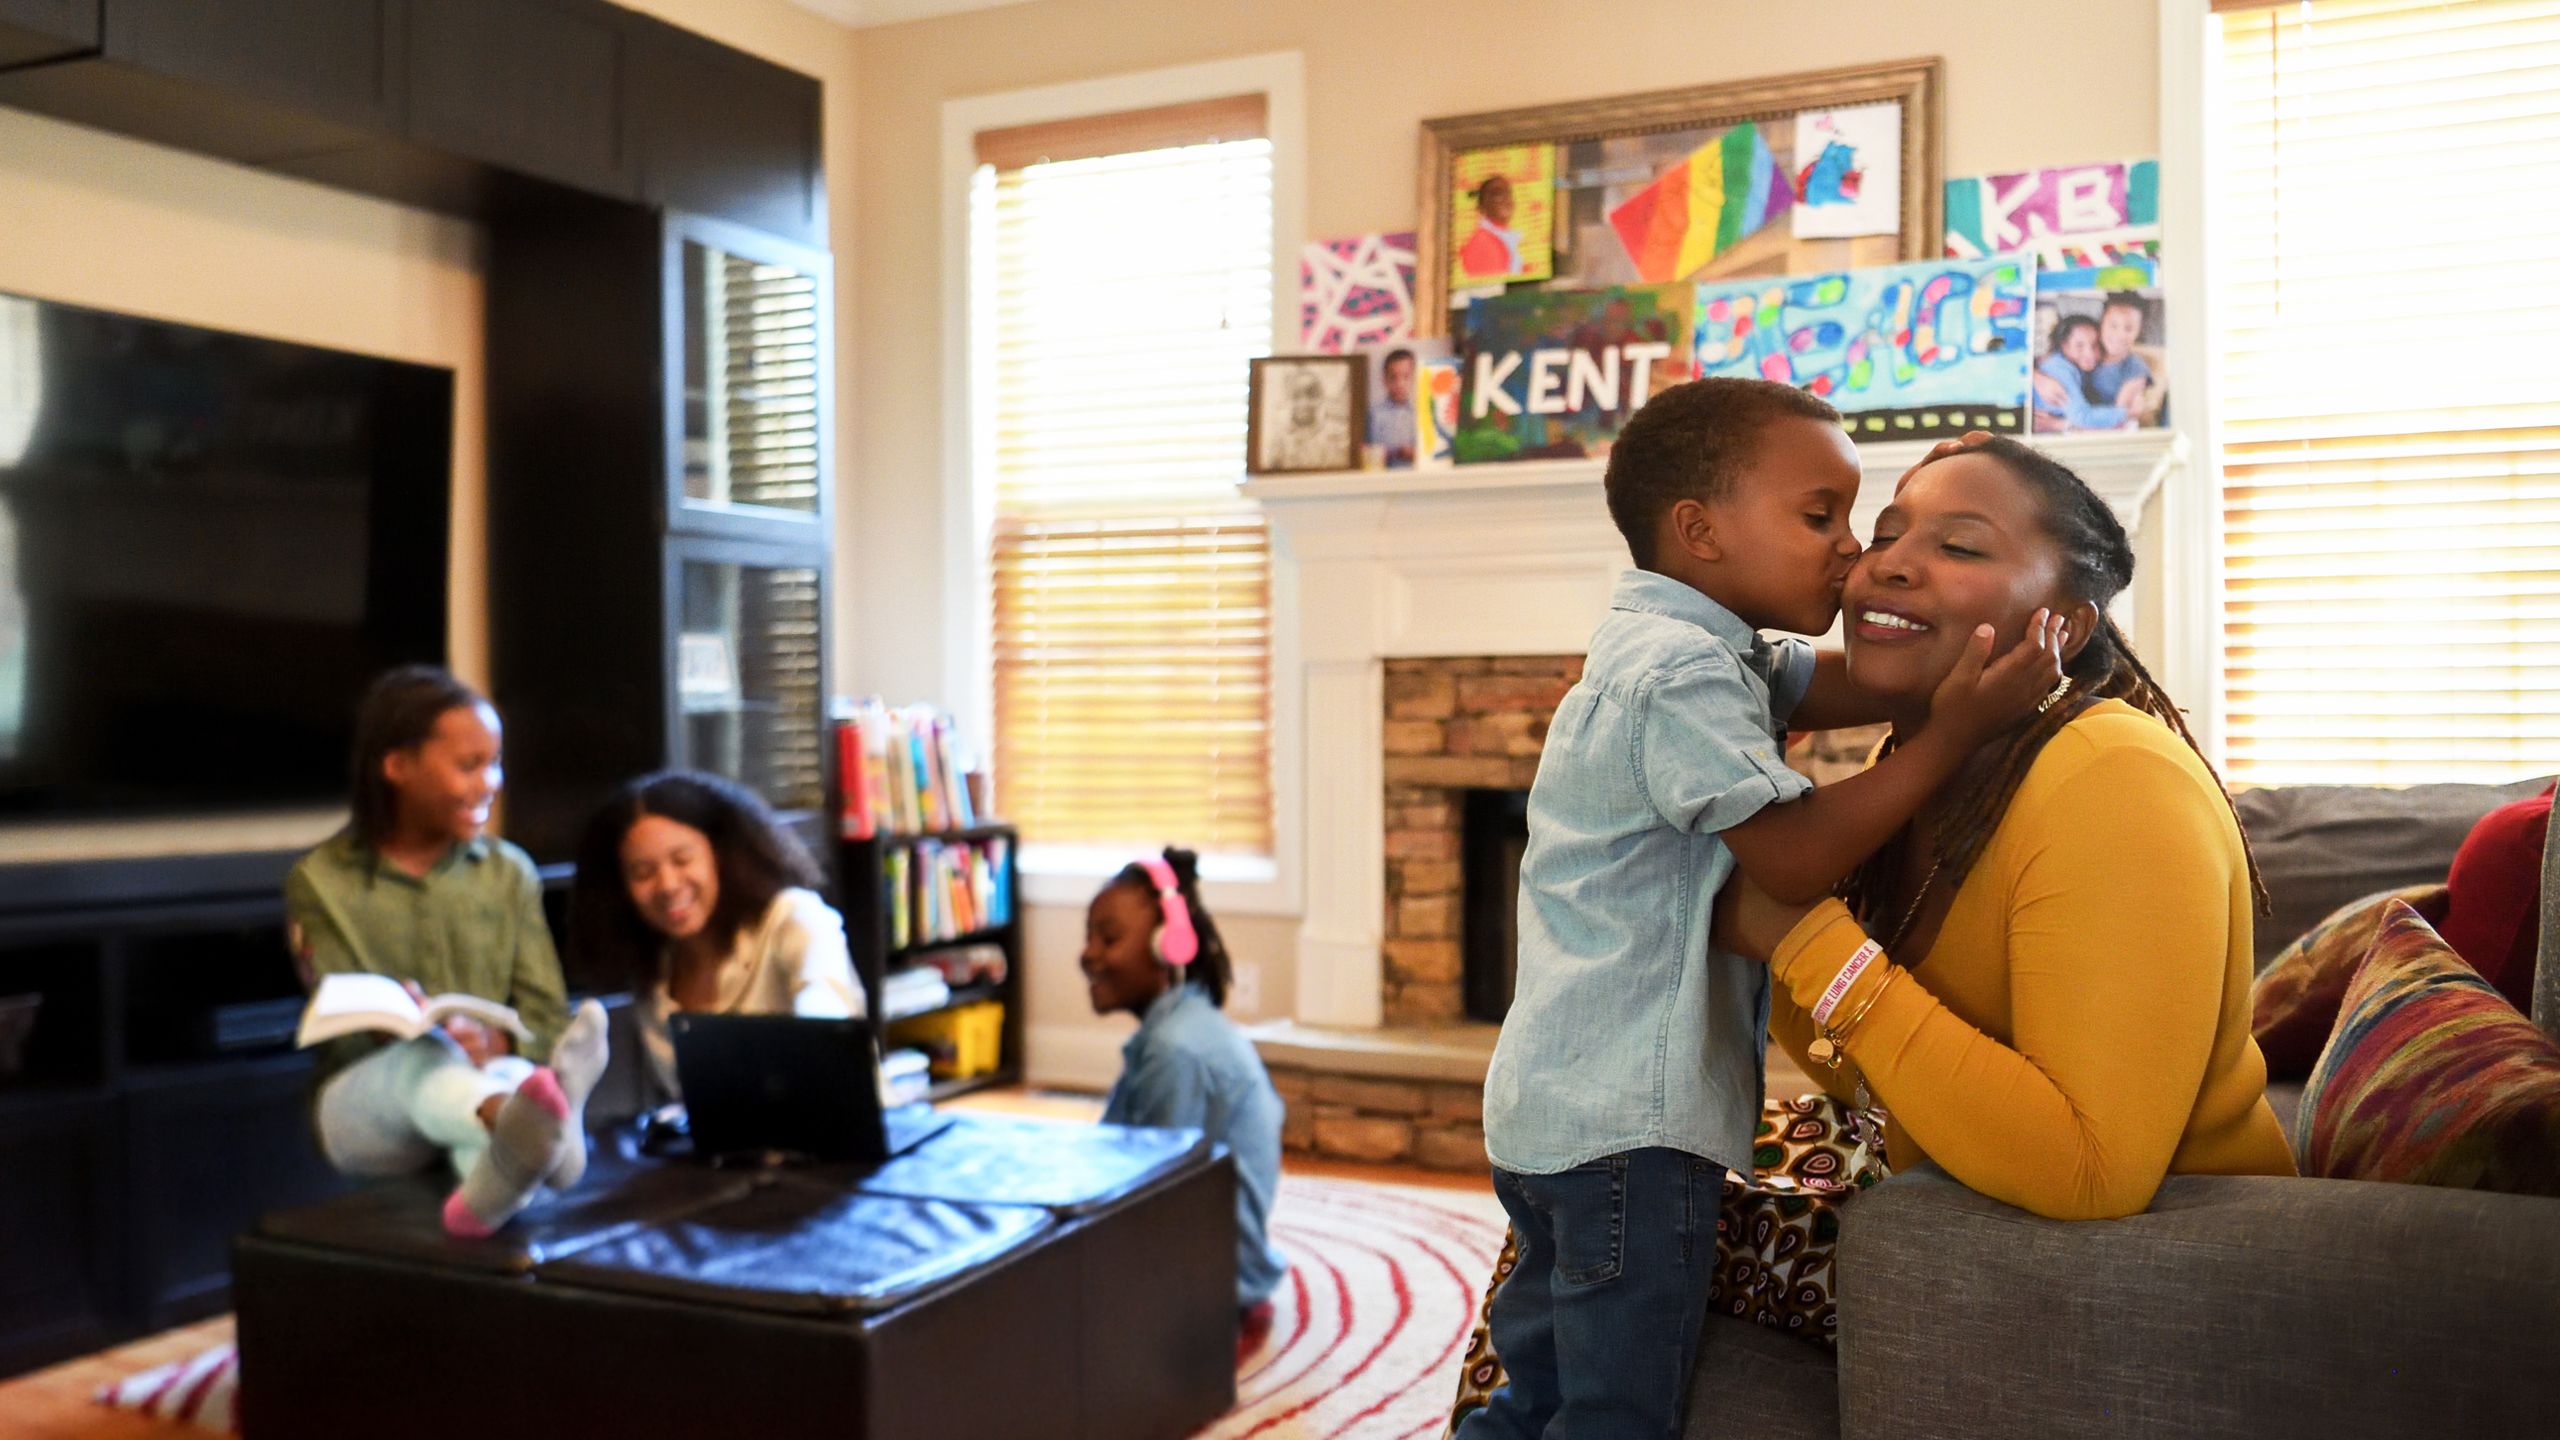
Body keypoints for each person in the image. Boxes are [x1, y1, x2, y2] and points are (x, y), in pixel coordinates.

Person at [1461, 380, 2064, 1439]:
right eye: (1817, 516)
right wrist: (1951, 736)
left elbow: (1839, 687)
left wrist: (1961, 663)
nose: (1848, 550)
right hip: (1628, 1130)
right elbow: (1789, 859)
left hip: (1551, 1106)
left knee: (1536, 1390)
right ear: (1699, 530)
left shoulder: (1689, 642)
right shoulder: (1682, 674)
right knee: (1616, 1412)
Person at [1716, 433, 2296, 1222]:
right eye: (1885, 535)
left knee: (1634, 1241)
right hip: (1946, 1186)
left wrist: (1805, 940)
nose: (1889, 562)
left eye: (1959, 545)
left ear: (2063, 622)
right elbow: (1867, 1071)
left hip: (2152, 1267)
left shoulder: (2114, 779)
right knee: (1623, 1184)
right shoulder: (1923, 768)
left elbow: (2094, 1174)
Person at [285, 665, 610, 1237]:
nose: (490, 782)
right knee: (427, 1061)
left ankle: (497, 1169)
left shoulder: (510, 873)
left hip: (483, 1074)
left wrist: (496, 1039)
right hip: (364, 1107)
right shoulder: (320, 879)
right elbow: (337, 1020)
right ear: (397, 767)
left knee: (509, 1094)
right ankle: (549, 1133)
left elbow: (544, 1014)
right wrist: (402, 1025)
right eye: (469, 765)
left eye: (494, 762)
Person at [1081, 847, 1287, 1357]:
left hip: (1211, 1281)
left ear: (1166, 947)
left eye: (1109, 937)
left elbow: (1150, 1202)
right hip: (1199, 1254)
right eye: (1088, 936)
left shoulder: (1176, 1051)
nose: (1088, 953)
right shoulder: (1176, 1029)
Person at [567, 769, 861, 1102]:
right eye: (642, 872)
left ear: (718, 853)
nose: (667, 885)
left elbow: (827, 1020)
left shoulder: (794, 916)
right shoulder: (654, 972)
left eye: (682, 859)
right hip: (736, 1153)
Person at [2030, 315, 2130, 432]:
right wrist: (2126, 413)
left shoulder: (2078, 367)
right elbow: (2083, 417)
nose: (2090, 353)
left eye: (2095, 344)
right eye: (2079, 346)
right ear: (2064, 345)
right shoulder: (2059, 369)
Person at [2086, 291, 2156, 418]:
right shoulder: (2086, 351)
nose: (2120, 335)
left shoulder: (2136, 368)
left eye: (2129, 328)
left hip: (2105, 430)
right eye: (2113, 326)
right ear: (2101, 323)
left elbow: (2117, 415)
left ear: (2138, 332)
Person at [1458, 173, 1523, 278]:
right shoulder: (1483, 243)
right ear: (1482, 204)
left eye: (1508, 194)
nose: (1507, 201)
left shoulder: (1504, 237)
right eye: (1498, 195)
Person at [1369, 347, 1418, 467]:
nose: (1399, 384)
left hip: (1415, 478)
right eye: (1393, 377)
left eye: (1406, 377)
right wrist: (1396, 452)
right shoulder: (1375, 414)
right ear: (1384, 380)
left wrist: (1414, 453)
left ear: (1414, 378)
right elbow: (1369, 452)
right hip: (1384, 479)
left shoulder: (1420, 413)